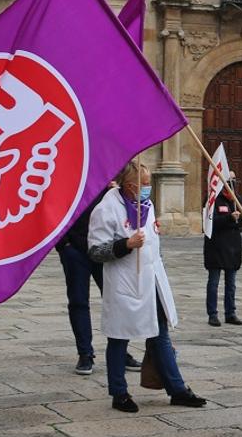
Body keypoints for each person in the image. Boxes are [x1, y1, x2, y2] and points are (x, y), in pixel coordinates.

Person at [88, 162, 207, 413]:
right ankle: (119, 392)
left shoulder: (147, 206)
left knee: (160, 333)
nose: (148, 188)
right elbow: (95, 251)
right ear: (130, 186)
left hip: (151, 280)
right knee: (119, 337)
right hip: (125, 283)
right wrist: (126, 244)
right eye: (144, 184)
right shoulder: (106, 209)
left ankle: (177, 389)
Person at [57, 195, 140, 376]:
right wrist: (64, 244)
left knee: (115, 298)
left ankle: (120, 352)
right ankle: (85, 353)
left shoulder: (105, 179)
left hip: (103, 247)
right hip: (74, 250)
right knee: (78, 301)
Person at [203, 179, 242, 327]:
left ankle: (230, 313)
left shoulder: (237, 199)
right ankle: (212, 314)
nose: (232, 182)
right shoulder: (212, 199)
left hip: (232, 248)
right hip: (216, 247)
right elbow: (209, 222)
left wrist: (238, 219)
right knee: (214, 283)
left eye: (233, 180)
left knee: (231, 283)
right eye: (228, 180)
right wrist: (229, 218)